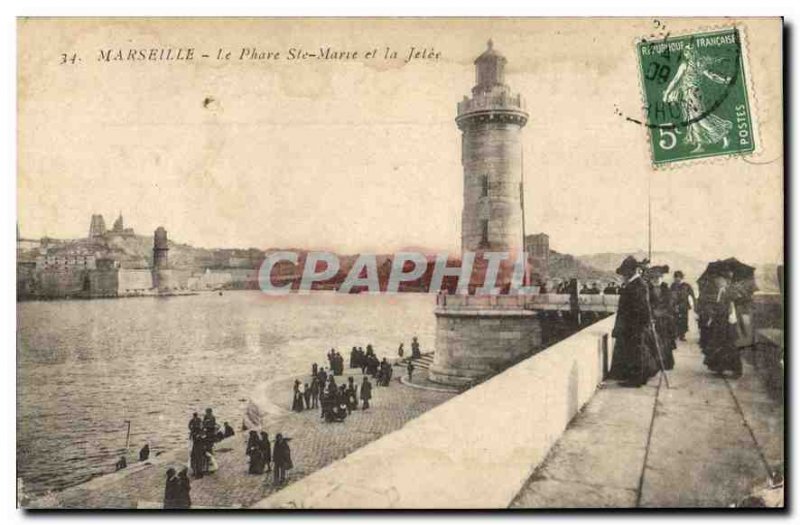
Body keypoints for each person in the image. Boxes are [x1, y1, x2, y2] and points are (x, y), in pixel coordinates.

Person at [607, 256, 661, 387]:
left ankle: (636, 379)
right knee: (634, 351)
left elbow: (642, 307)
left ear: (631, 272)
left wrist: (640, 325)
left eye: (625, 272)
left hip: (635, 325)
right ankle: (633, 377)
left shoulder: (638, 285)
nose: (623, 276)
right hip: (632, 325)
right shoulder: (634, 284)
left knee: (637, 352)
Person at [704, 271, 742, 378]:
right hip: (720, 322)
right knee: (719, 345)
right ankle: (719, 368)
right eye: (717, 280)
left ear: (726, 281)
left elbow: (731, 308)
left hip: (728, 323)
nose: (717, 282)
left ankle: (737, 370)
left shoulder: (730, 292)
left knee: (730, 346)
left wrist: (726, 311)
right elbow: (719, 306)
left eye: (720, 280)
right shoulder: (721, 291)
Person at [647, 265, 676, 370]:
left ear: (662, 278)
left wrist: (661, 312)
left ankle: (666, 363)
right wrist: (652, 313)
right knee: (653, 342)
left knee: (665, 342)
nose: (656, 280)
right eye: (653, 278)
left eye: (658, 278)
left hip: (665, 320)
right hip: (652, 319)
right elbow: (646, 304)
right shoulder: (647, 290)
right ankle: (655, 364)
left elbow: (670, 305)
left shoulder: (667, 290)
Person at [670, 270, 696, 341]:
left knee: (684, 320)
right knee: (675, 320)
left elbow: (692, 295)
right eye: (676, 277)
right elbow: (670, 295)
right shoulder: (673, 285)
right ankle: (675, 334)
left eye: (679, 277)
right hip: (675, 306)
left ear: (681, 278)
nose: (677, 279)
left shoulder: (686, 286)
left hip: (684, 306)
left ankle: (682, 335)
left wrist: (694, 304)